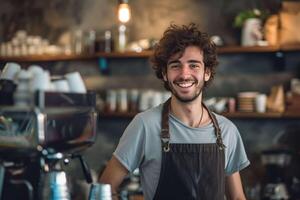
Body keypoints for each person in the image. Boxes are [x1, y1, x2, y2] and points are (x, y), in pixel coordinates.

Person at [99, 23, 250, 200]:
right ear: (164, 73)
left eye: (193, 65)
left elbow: (237, 198)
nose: (184, 74)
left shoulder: (227, 130)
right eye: (175, 65)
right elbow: (104, 190)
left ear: (206, 73)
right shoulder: (145, 125)